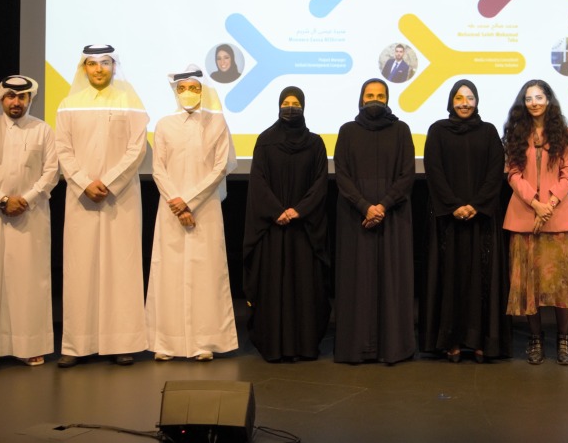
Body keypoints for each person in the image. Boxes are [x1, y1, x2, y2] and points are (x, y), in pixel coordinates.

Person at [55, 45, 149, 367]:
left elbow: (137, 148)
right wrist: (84, 182)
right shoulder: (69, 104)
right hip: (81, 197)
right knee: (80, 268)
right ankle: (77, 344)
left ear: (114, 66)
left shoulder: (129, 101)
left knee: (121, 268)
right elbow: (63, 150)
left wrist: (108, 181)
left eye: (105, 63)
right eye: (92, 64)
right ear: (84, 68)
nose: (99, 69)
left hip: (120, 198)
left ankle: (121, 342)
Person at [145, 65, 239, 361]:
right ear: (175, 91)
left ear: (203, 91)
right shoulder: (164, 125)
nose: (188, 93)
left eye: (194, 88)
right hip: (170, 208)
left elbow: (220, 167)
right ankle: (166, 342)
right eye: (183, 88)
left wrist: (189, 201)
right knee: (169, 272)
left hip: (205, 208)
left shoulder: (216, 123)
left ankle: (205, 342)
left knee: (205, 273)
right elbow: (158, 168)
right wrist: (176, 201)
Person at [0, 76, 59, 370]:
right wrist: (2, 199)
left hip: (31, 215)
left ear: (30, 100)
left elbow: (51, 172)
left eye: (22, 97)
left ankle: (30, 346)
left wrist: (26, 199)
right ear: (1, 99)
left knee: (29, 280)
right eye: (10, 97)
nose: (16, 102)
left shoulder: (42, 130)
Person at [420, 79, 510, 363]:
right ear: (451, 101)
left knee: (483, 280)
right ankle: (452, 341)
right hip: (448, 220)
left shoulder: (489, 131)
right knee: (450, 280)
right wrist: (454, 206)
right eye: (459, 98)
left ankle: (482, 341)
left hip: (482, 220)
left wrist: (476, 206)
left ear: (477, 101)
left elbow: (496, 171)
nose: (465, 103)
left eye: (470, 98)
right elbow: (433, 170)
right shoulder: (437, 131)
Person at [243, 87, 331, 361]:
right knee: (273, 288)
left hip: (304, 230)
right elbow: (258, 181)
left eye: (295, 103)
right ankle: (274, 346)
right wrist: (276, 211)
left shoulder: (315, 143)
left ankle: (304, 346)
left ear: (303, 107)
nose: (290, 107)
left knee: (305, 289)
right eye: (285, 103)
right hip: (273, 230)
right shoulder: (265, 141)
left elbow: (320, 183)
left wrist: (298, 211)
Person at [333, 79, 416, 363]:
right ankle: (357, 347)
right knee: (358, 283)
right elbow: (342, 174)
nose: (375, 100)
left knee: (392, 284)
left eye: (380, 96)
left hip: (393, 218)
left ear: (388, 99)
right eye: (370, 95)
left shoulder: (401, 130)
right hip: (355, 218)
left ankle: (393, 347)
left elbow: (407, 174)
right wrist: (364, 206)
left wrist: (382, 206)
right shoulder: (347, 131)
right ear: (361, 99)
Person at [502, 79, 568, 366]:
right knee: (528, 284)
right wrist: (535, 204)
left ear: (548, 100)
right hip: (524, 214)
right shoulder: (515, 133)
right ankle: (535, 338)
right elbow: (512, 173)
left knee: (561, 283)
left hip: (556, 215)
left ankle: (564, 337)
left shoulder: (565, 133)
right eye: (528, 98)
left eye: (538, 97)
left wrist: (549, 204)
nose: (534, 103)